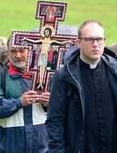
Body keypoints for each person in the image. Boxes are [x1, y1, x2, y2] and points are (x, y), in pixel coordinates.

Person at [46, 20, 117, 152]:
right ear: (78, 43)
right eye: (90, 39)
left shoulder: (114, 71)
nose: (96, 44)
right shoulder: (64, 76)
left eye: (99, 39)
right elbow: (55, 121)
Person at [0, 35, 50, 153]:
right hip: (9, 146)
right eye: (14, 51)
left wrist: (49, 104)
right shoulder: (0, 77)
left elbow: (61, 111)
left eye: (22, 50)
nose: (18, 55)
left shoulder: (45, 77)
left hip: (41, 147)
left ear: (31, 50)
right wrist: (19, 102)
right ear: (8, 52)